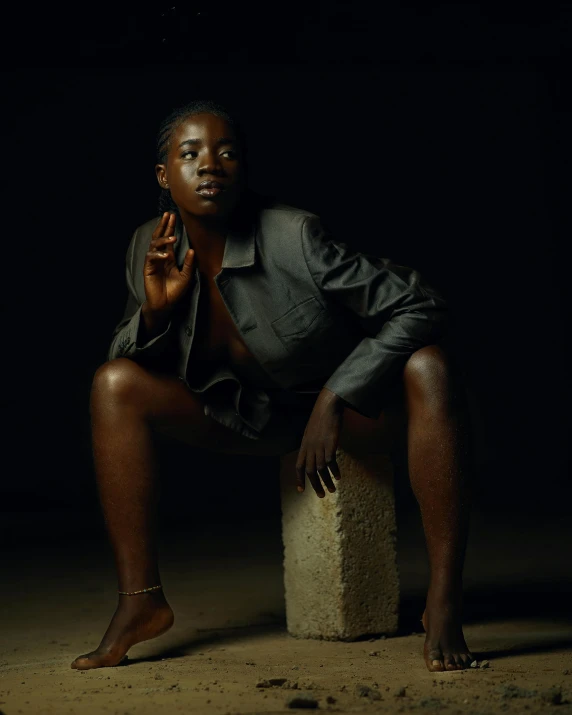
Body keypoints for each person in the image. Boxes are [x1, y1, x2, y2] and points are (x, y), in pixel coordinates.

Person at [71, 99, 474, 673]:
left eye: (226, 152)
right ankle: (141, 602)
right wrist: (157, 316)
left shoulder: (294, 236)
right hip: (245, 419)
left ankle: (443, 599)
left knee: (429, 365)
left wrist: (335, 397)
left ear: (243, 168)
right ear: (164, 175)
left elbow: (422, 304)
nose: (210, 164)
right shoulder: (149, 244)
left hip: (348, 418)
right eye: (190, 154)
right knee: (112, 384)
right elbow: (123, 355)